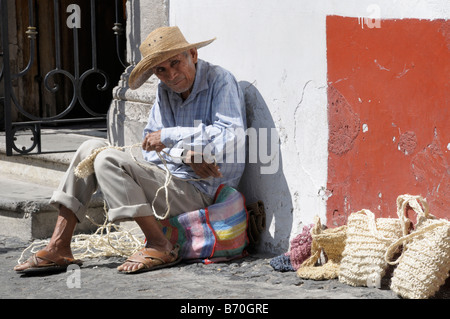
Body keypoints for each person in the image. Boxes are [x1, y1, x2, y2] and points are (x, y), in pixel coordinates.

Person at [14, 26, 246, 274]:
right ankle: (59, 245)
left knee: (107, 160)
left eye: (176, 63)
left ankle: (160, 244)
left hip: (203, 189)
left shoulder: (220, 80)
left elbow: (231, 136)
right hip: (171, 181)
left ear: (193, 54)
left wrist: (169, 137)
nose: (171, 75)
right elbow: (149, 148)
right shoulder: (165, 91)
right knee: (90, 148)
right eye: (161, 70)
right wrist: (184, 155)